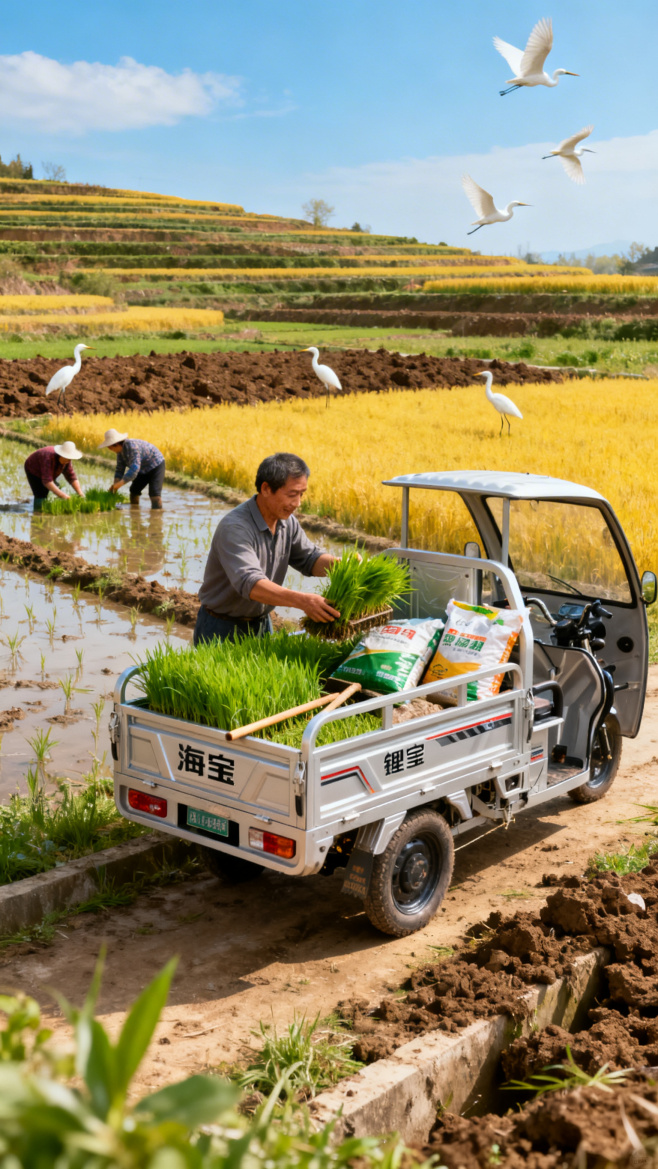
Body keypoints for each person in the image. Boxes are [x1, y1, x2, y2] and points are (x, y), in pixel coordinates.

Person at [194, 452, 340, 645]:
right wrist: (304, 601)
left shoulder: (287, 523)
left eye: (301, 494)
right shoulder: (235, 528)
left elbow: (310, 559)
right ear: (266, 489)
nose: (297, 503)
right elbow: (251, 583)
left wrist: (343, 567)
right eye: (292, 494)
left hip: (262, 623)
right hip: (221, 628)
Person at [97, 428, 165, 510]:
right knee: (134, 490)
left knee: (154, 494)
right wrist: (115, 486)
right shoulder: (120, 452)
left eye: (110, 447)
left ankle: (157, 517)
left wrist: (119, 484)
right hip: (142, 468)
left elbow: (134, 469)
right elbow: (119, 469)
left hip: (156, 465)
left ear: (116, 444)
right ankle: (135, 513)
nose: (110, 449)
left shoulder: (132, 447)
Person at [24, 442, 84, 509]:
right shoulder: (48, 458)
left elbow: (71, 477)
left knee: (51, 490)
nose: (69, 460)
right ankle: (38, 512)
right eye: (68, 457)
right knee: (40, 494)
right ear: (62, 454)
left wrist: (80, 494)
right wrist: (63, 496)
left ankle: (46, 505)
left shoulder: (67, 460)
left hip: (47, 471)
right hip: (33, 469)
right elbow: (47, 481)